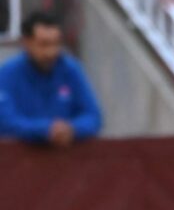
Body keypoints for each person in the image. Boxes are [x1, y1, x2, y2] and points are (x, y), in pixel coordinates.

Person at [0, 11, 101, 145]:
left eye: (56, 44)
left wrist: (72, 129)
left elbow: (93, 116)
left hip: (66, 155)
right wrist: (45, 130)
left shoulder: (70, 69)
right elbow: (5, 122)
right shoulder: (7, 74)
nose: (51, 52)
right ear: (26, 42)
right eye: (44, 44)